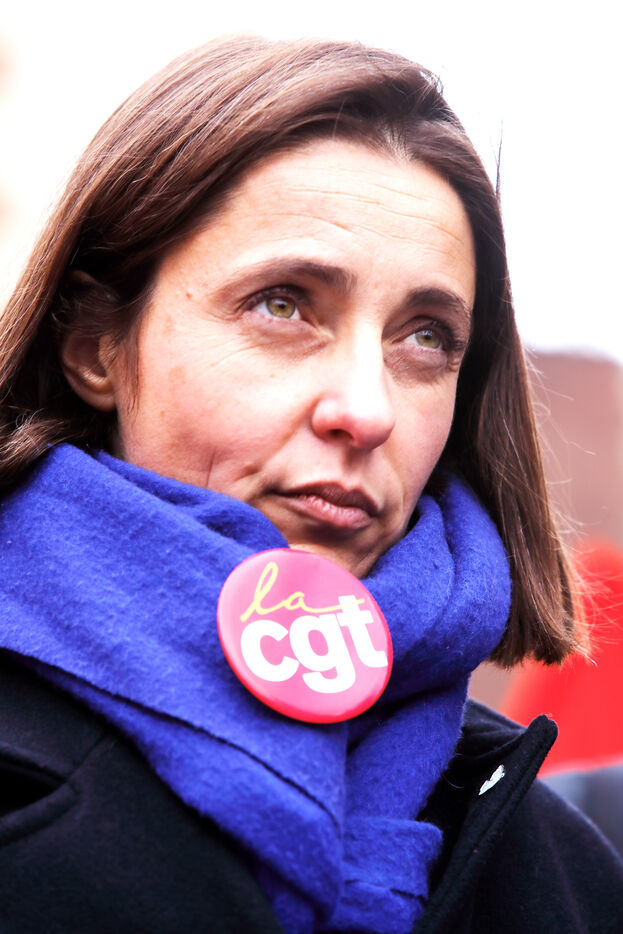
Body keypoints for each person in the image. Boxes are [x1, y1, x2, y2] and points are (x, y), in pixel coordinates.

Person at [0, 36, 621, 934]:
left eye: (425, 337)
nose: (366, 410)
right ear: (98, 345)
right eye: (283, 304)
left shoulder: (564, 875)